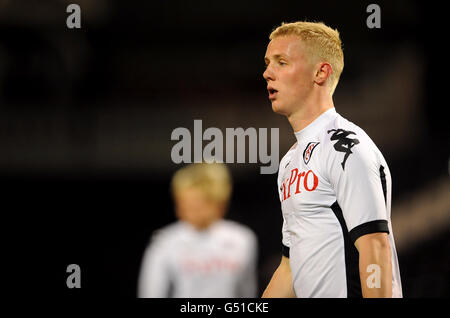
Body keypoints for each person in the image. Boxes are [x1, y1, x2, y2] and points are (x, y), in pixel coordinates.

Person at [261, 21, 402, 298]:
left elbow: (375, 247)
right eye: (268, 63)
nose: (267, 73)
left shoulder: (346, 147)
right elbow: (290, 268)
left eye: (282, 62)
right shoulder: (290, 162)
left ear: (320, 72)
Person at [138, 162, 258, 297]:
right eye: (184, 204)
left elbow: (247, 291)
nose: (189, 211)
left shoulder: (242, 239)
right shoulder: (165, 241)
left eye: (197, 205)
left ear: (219, 203)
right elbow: (151, 292)